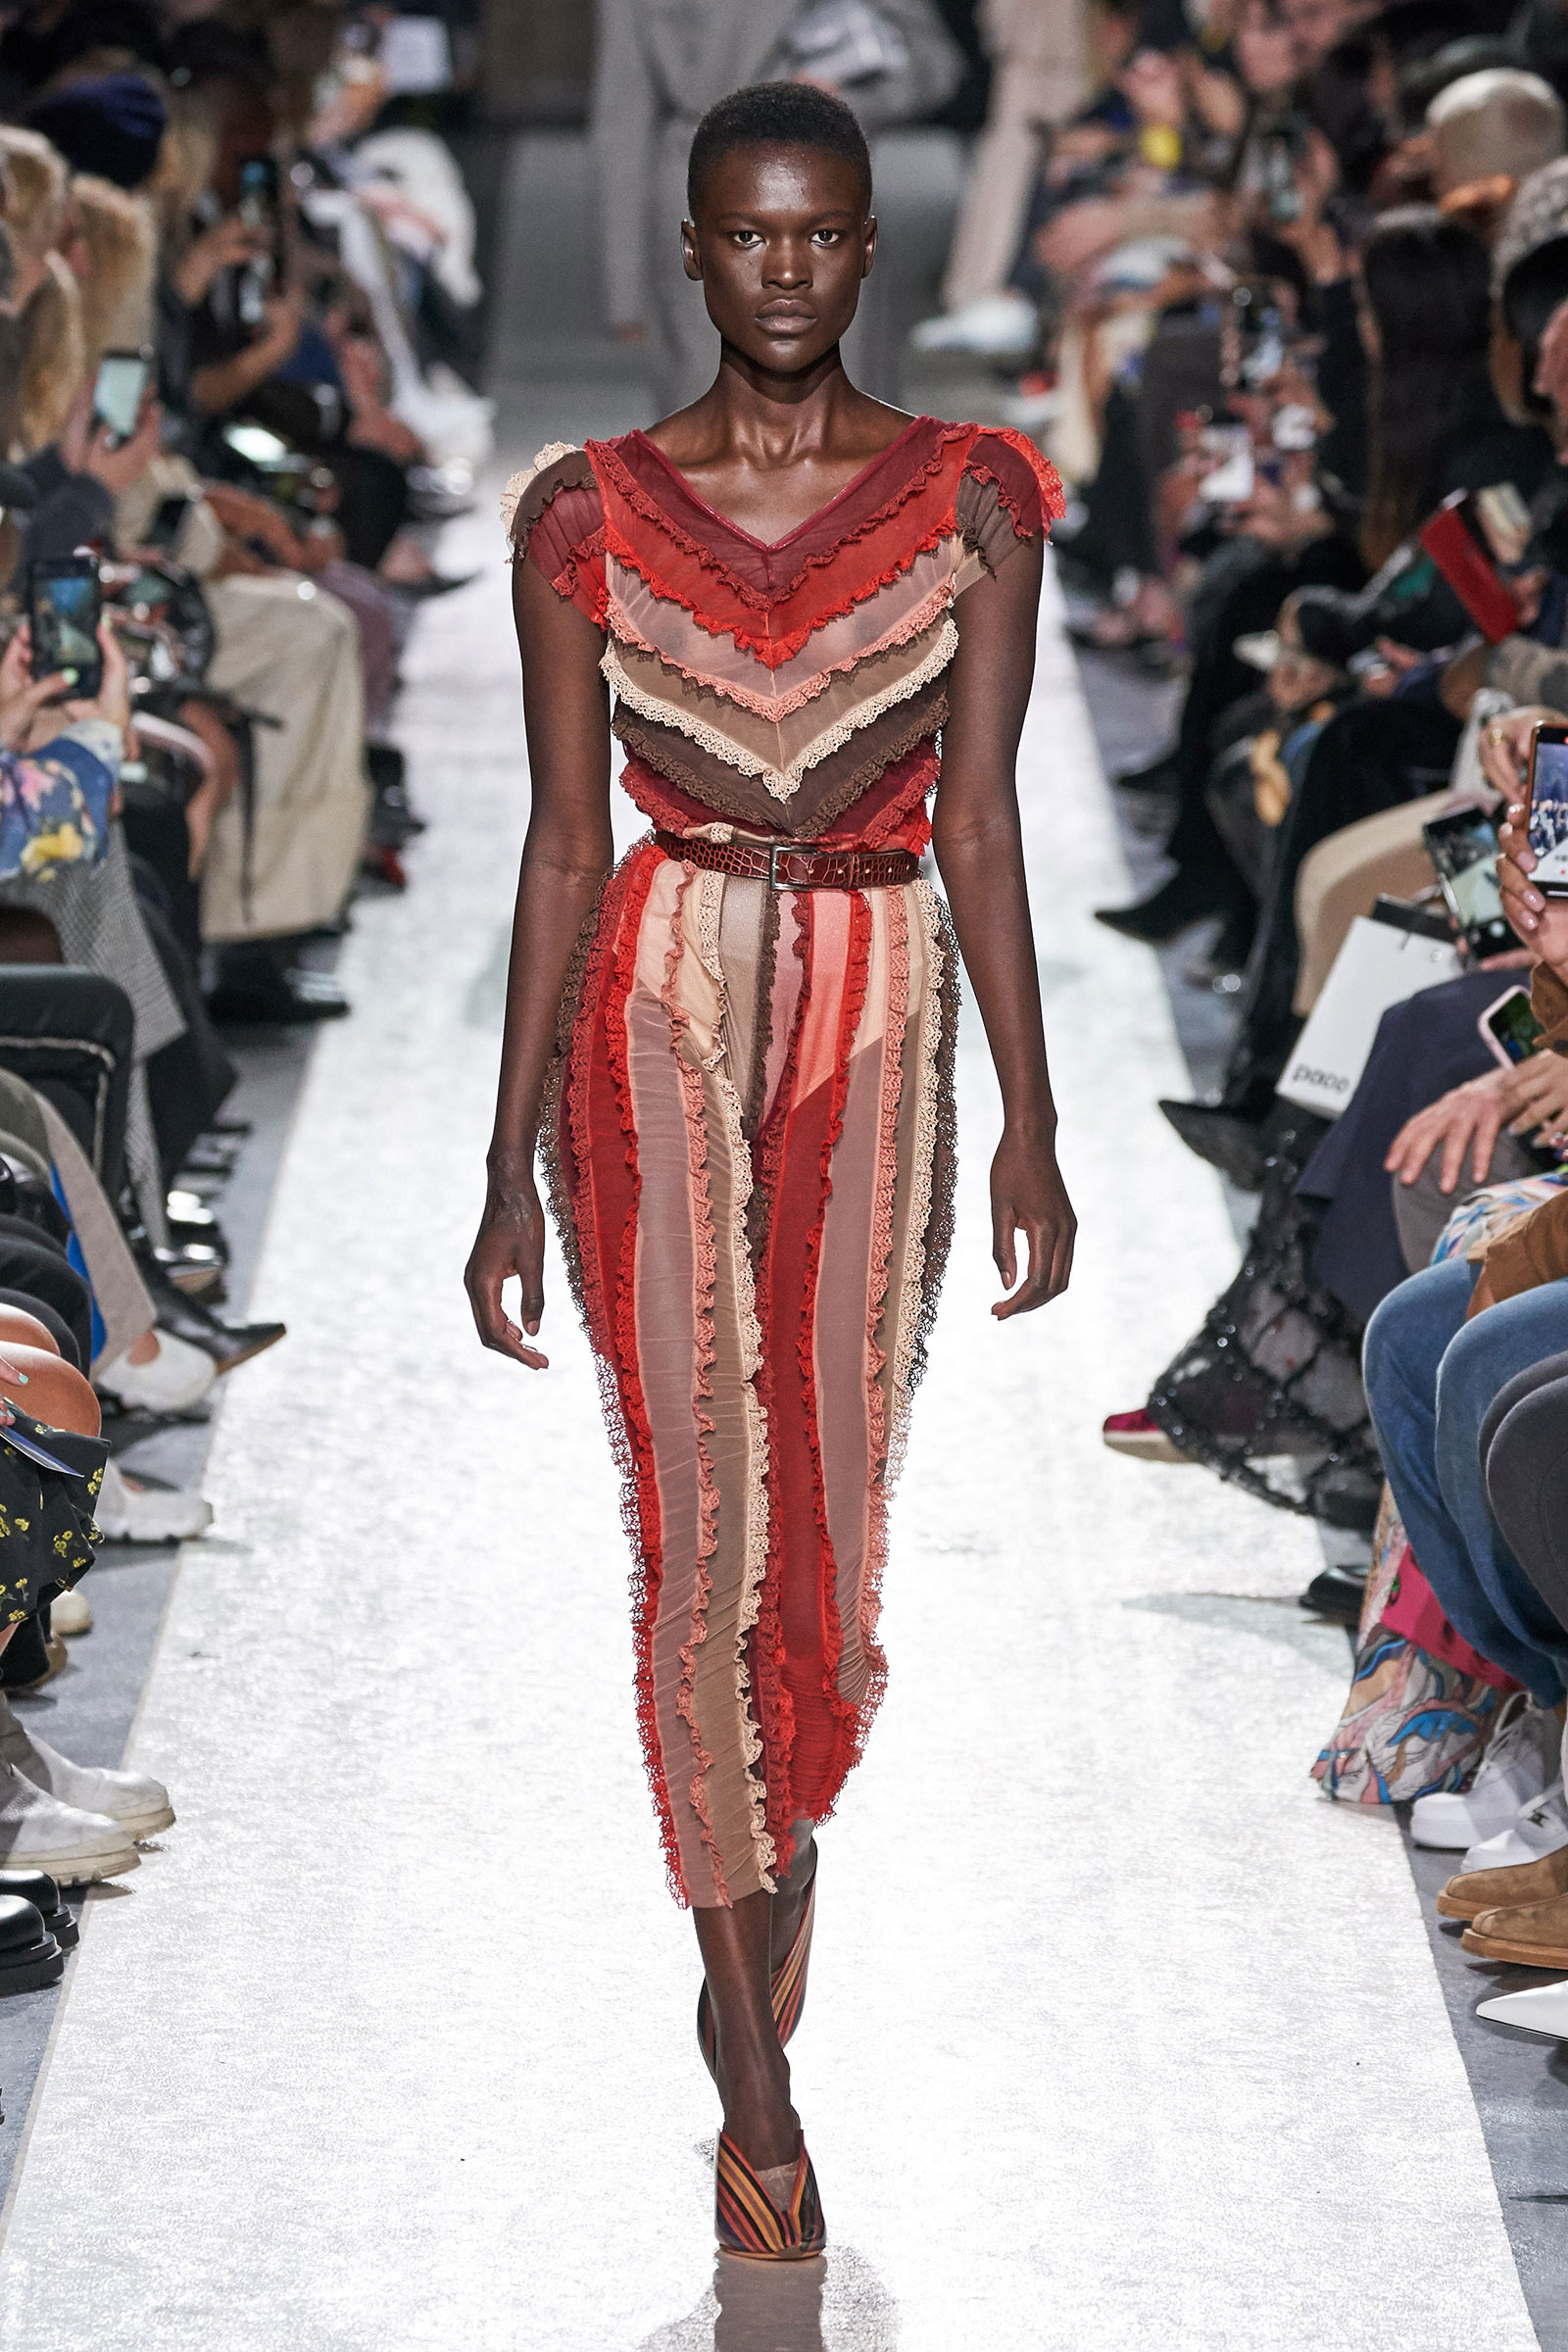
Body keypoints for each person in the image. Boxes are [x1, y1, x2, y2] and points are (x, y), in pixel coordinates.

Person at [466, 81, 1075, 2259]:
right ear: (693, 252)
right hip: (651, 997)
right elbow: (561, 844)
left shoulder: (973, 499)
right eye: (749, 235)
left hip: (885, 991)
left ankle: (755, 1855)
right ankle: (754, 2077)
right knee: (693, 1527)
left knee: (820, 1528)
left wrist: (1035, 1118)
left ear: (869, 248)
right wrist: (500, 1164)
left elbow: (982, 820)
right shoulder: (587, 517)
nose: (787, 269)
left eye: (821, 235)